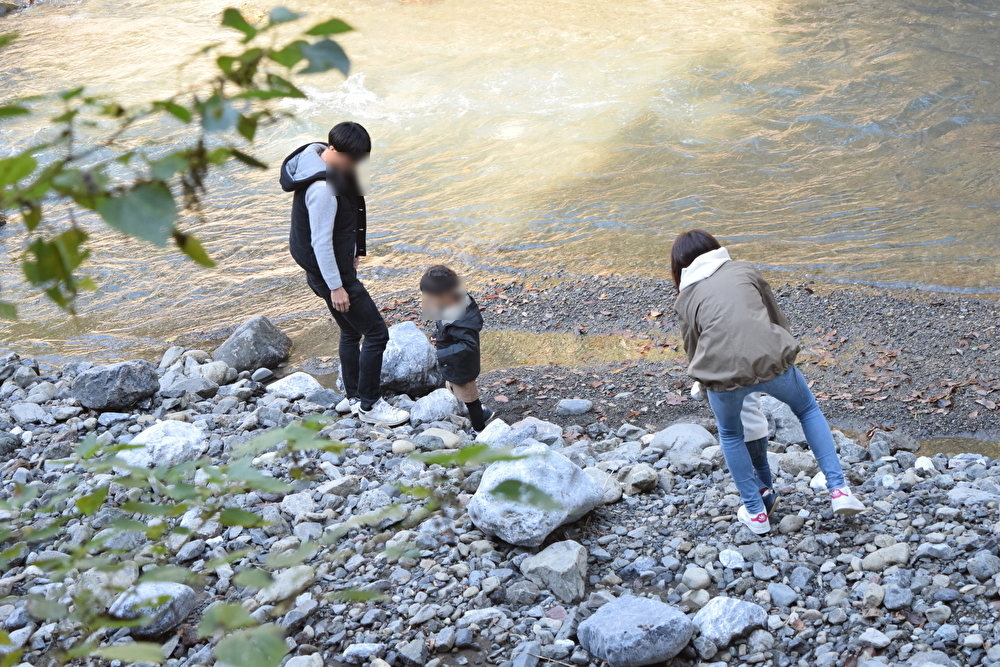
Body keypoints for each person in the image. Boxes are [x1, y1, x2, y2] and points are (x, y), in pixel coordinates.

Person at [672, 229, 865, 535]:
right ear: (715, 249)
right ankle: (840, 491)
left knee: (731, 435)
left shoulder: (686, 298)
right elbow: (774, 316)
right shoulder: (744, 269)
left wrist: (701, 379)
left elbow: (692, 348)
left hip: (723, 377)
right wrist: (782, 351)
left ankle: (755, 513)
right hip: (771, 361)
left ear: (679, 267)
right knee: (807, 411)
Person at [279, 121, 409, 426]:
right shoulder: (322, 189)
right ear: (334, 150)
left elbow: (344, 222)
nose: (354, 167)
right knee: (377, 333)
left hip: (328, 270)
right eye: (351, 160)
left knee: (351, 331)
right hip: (330, 275)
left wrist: (353, 254)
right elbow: (320, 242)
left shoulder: (319, 157)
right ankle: (370, 405)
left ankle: (352, 398)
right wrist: (337, 286)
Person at [419, 265, 494, 436]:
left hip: (462, 366)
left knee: (470, 397)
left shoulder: (463, 319)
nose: (428, 301)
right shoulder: (450, 304)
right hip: (452, 361)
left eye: (430, 297)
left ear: (445, 295)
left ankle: (479, 428)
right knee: (456, 390)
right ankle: (480, 412)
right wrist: (437, 336)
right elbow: (444, 326)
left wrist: (439, 354)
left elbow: (467, 345)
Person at [691, 383, 779, 514]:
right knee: (762, 465)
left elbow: (695, 393)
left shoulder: (716, 379)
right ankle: (769, 495)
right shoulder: (751, 374)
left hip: (738, 436)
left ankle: (763, 492)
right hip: (760, 429)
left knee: (742, 471)